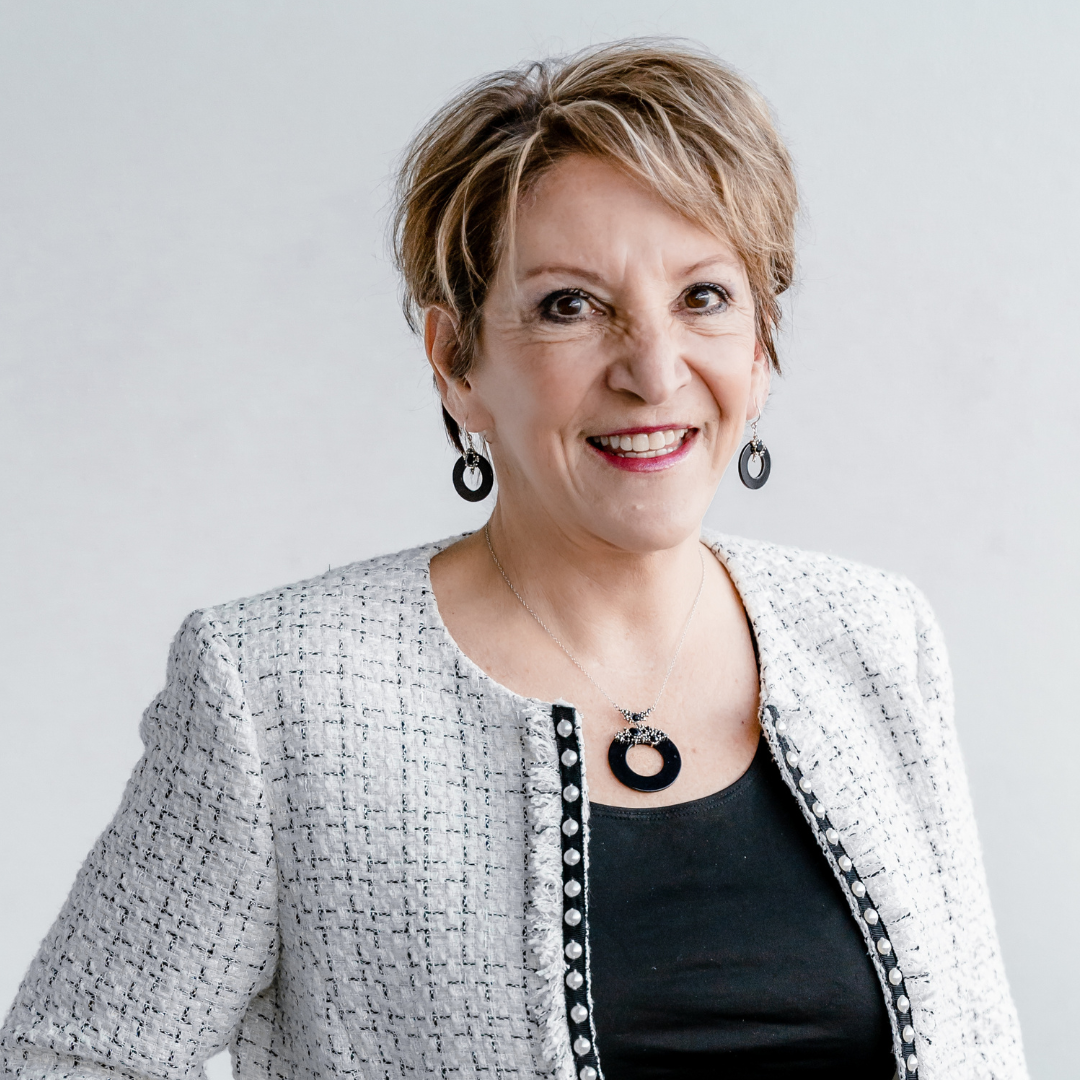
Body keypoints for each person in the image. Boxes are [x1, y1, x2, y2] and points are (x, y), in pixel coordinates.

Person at [0, 39, 1026, 1080]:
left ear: (759, 348)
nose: (653, 370)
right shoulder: (280, 693)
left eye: (704, 297)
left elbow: (983, 1051)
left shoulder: (872, 635)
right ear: (457, 362)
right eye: (570, 306)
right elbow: (65, 1060)